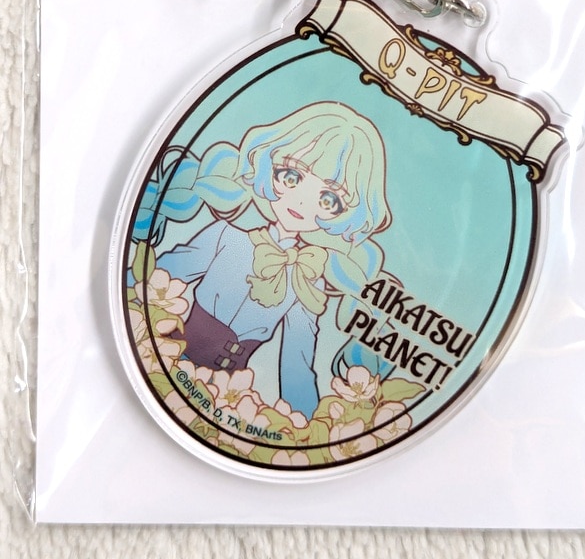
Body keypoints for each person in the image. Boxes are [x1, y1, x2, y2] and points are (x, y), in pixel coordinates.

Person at [132, 101, 392, 418]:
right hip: (163, 359)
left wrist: (304, 426)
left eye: (328, 199)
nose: (301, 201)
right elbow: (157, 278)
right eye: (292, 176)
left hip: (228, 399)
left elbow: (296, 365)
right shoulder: (227, 235)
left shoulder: (306, 283)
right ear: (270, 166)